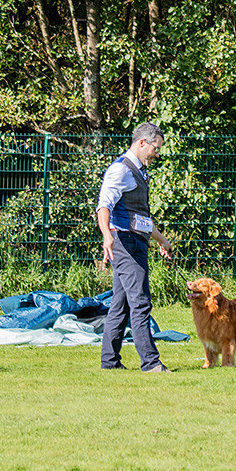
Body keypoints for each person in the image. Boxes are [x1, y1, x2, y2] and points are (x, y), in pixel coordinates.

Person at [95, 122, 173, 372]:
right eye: (155, 148)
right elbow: (103, 206)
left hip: (136, 241)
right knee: (140, 302)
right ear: (142, 143)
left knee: (121, 305)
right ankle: (150, 363)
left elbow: (141, 217)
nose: (157, 154)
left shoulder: (139, 171)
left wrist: (161, 240)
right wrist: (107, 236)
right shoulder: (120, 170)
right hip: (124, 243)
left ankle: (109, 362)